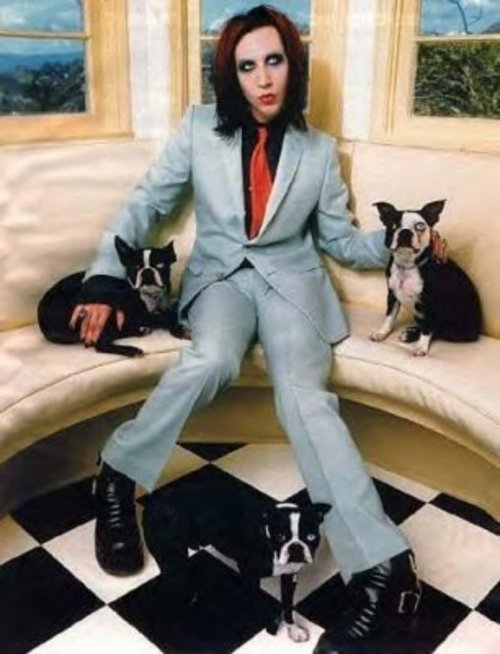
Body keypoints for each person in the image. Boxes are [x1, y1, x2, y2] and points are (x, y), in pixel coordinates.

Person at [72, 5, 425, 651]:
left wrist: (401, 244)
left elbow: (341, 240)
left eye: (274, 61)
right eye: (246, 66)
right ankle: (118, 474)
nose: (263, 79)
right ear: (229, 75)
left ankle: (384, 568)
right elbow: (147, 204)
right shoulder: (198, 129)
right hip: (220, 283)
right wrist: (103, 280)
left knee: (305, 399)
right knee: (210, 360)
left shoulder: (319, 151)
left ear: (293, 66)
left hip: (294, 287)